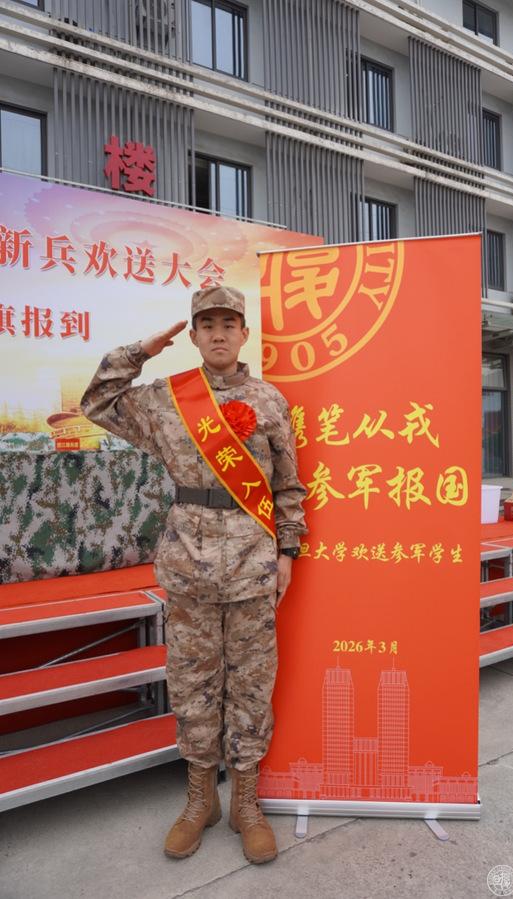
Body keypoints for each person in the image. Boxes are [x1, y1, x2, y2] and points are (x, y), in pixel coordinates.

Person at [80, 285, 307, 865]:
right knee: (191, 683)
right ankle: (199, 800)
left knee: (252, 684)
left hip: (253, 564)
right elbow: (97, 404)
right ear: (196, 334)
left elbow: (287, 485)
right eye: (207, 324)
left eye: (229, 323)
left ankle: (246, 803)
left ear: (244, 334)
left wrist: (287, 552)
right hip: (188, 566)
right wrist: (140, 351)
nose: (219, 333)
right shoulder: (167, 399)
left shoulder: (269, 400)